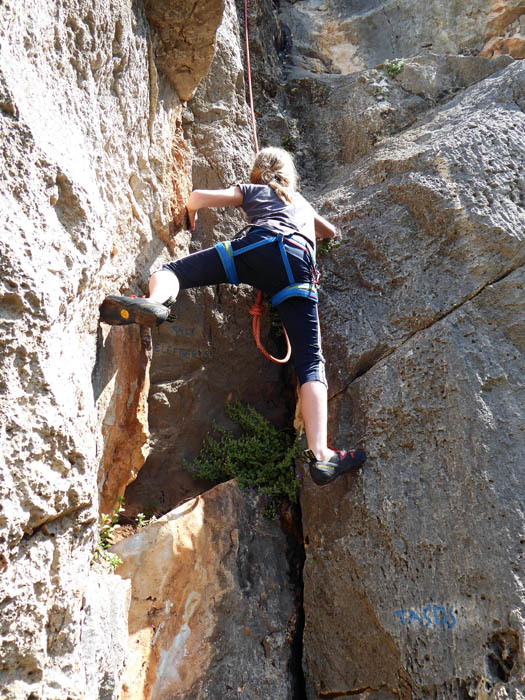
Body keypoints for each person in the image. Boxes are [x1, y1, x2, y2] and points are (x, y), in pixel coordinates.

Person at [100, 147, 366, 485]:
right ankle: (321, 454)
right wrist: (309, 219)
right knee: (311, 362)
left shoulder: (258, 191)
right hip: (298, 265)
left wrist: (192, 213)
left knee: (175, 271)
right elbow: (329, 231)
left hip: (259, 247)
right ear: (289, 175)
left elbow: (198, 197)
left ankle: (155, 301)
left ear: (259, 173)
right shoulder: (299, 202)